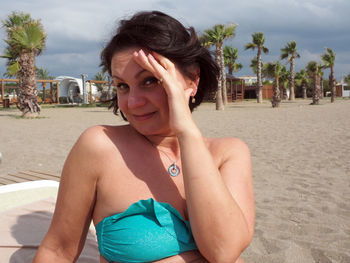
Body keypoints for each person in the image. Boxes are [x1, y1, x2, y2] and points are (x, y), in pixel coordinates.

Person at [34, 11, 254, 263]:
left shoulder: (228, 154)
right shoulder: (101, 147)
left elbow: (224, 251)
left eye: (150, 80)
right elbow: (58, 251)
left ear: (192, 79)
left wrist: (186, 131)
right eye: (122, 86)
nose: (133, 102)